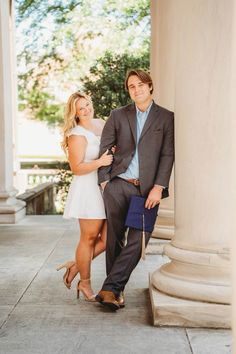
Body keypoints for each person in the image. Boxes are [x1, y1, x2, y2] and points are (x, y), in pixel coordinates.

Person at [96, 69, 174, 310]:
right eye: (131, 86)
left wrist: (158, 188)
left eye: (141, 84)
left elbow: (167, 154)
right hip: (118, 186)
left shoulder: (166, 117)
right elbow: (106, 147)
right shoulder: (118, 115)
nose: (137, 89)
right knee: (114, 240)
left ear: (150, 86)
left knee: (139, 240)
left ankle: (110, 288)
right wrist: (105, 181)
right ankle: (114, 292)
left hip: (148, 190)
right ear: (128, 90)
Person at [57, 92, 113, 301]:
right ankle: (85, 282)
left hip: (106, 188)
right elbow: (76, 168)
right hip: (88, 189)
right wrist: (100, 162)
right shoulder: (76, 134)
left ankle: (75, 265)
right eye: (81, 108)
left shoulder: (101, 123)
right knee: (88, 239)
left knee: (108, 239)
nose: (87, 109)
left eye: (88, 104)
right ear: (76, 113)